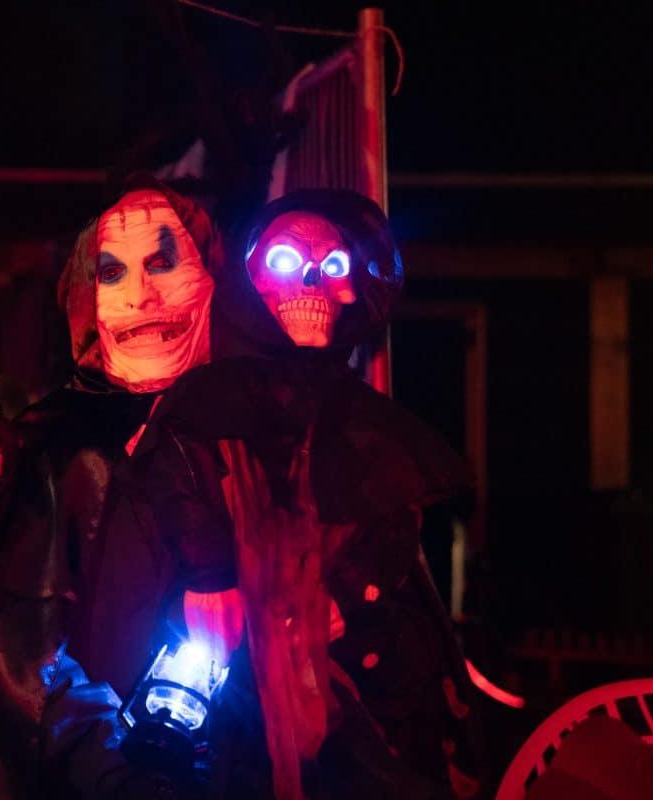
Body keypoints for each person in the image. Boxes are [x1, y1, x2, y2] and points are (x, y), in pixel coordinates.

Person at [132, 189, 489, 798]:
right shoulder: (206, 401)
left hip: (349, 665)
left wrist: (347, 593)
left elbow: (389, 522)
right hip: (227, 659)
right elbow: (179, 480)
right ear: (250, 283)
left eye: (334, 266)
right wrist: (210, 572)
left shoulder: (370, 424)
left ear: (356, 290)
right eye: (284, 262)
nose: (310, 283)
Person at [0, 176, 237, 799]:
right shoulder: (57, 449)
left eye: (162, 264)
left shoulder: (251, 436)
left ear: (210, 280)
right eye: (112, 273)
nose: (139, 297)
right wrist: (111, 763)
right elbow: (17, 646)